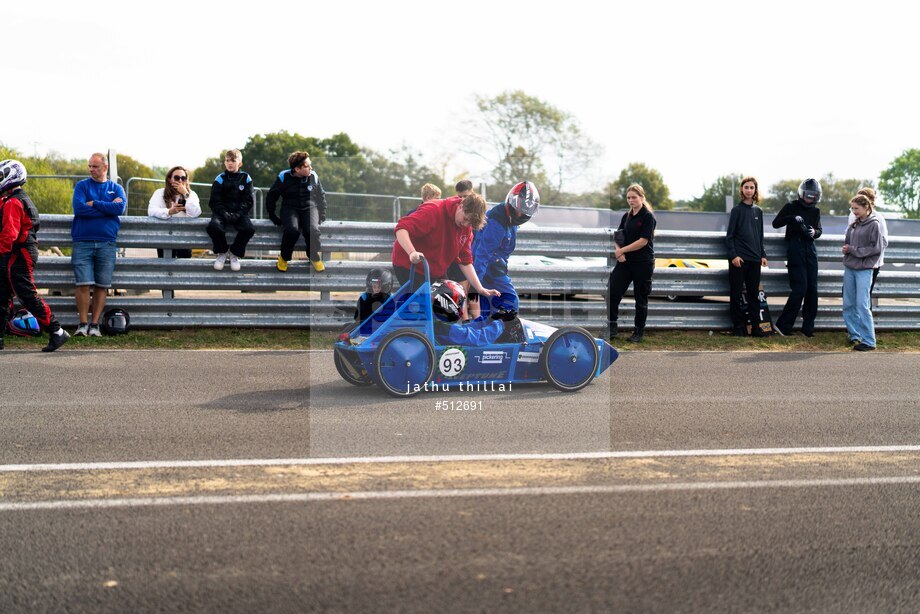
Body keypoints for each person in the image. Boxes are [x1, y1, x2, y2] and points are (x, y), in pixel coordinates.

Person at [0, 160, 70, 351]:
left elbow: (9, 235)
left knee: (26, 295)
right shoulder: (14, 198)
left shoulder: (14, 201)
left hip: (18, 253)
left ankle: (57, 331)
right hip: (17, 252)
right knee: (2, 294)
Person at [391, 192, 500, 304]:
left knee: (449, 304)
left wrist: (479, 288)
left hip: (434, 270)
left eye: (470, 223)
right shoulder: (434, 210)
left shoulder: (466, 230)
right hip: (410, 265)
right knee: (423, 307)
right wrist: (412, 252)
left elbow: (465, 261)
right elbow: (402, 229)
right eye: (465, 218)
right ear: (461, 206)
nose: (466, 224)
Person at [71, 152, 127, 337]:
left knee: (102, 286)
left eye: (95, 166)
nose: (91, 170)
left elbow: (119, 208)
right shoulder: (82, 186)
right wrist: (107, 209)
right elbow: (79, 209)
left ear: (105, 167)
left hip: (107, 243)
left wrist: (94, 203)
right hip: (82, 242)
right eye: (89, 166)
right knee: (83, 284)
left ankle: (95, 325)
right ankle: (82, 324)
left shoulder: (116, 188)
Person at [472, 180, 539, 319]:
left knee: (491, 307)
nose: (521, 214)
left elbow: (502, 251)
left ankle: (489, 331)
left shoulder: (510, 220)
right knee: (510, 301)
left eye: (525, 210)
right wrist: (476, 285)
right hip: (486, 269)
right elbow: (482, 254)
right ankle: (495, 331)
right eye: (519, 209)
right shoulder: (497, 221)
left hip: (494, 268)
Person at [772, 178, 823, 337]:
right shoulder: (791, 206)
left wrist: (814, 232)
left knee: (812, 290)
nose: (810, 198)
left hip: (810, 250)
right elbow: (776, 223)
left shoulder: (816, 211)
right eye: (808, 195)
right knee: (799, 288)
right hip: (795, 249)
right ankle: (783, 325)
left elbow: (819, 230)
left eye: (813, 196)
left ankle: (808, 328)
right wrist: (792, 218)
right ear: (802, 194)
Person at [607, 184, 656, 343]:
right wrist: (618, 251)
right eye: (628, 197)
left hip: (643, 263)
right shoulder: (626, 216)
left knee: (640, 298)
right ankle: (612, 327)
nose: (631, 200)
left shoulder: (648, 217)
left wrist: (622, 251)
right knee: (612, 292)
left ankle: (638, 332)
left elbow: (643, 241)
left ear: (642, 197)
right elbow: (618, 236)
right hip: (625, 262)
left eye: (634, 197)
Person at [266, 152, 328, 273]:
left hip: (310, 207)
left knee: (312, 230)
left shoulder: (313, 176)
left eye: (310, 165)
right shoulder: (283, 176)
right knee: (292, 230)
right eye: (307, 166)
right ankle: (284, 257)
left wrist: (322, 213)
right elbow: (271, 196)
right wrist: (272, 215)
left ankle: (313, 255)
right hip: (290, 207)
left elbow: (321, 196)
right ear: (297, 169)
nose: (311, 168)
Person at [725, 176, 769, 337]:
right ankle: (738, 327)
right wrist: (734, 255)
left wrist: (763, 254)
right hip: (739, 260)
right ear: (742, 190)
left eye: (752, 187)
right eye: (746, 187)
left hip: (755, 259)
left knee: (753, 295)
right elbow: (729, 236)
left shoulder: (759, 211)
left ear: (755, 190)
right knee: (736, 294)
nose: (749, 190)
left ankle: (756, 328)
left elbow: (760, 236)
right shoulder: (736, 211)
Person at [842, 194, 883, 351]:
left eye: (856, 208)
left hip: (864, 270)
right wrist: (846, 249)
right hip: (850, 268)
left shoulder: (874, 225)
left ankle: (869, 341)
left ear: (866, 207)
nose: (854, 211)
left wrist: (852, 250)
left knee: (862, 305)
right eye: (852, 208)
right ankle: (854, 335)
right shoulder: (854, 224)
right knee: (848, 304)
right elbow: (847, 241)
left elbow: (875, 249)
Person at [430, 279, 523, 346]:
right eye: (460, 302)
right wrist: (501, 324)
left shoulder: (435, 321)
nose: (463, 306)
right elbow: (477, 338)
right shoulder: (443, 328)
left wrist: (490, 320)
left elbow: (464, 329)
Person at [208, 148, 254, 272]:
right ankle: (222, 251)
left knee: (249, 229)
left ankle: (234, 253)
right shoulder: (220, 178)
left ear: (240, 163)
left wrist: (239, 214)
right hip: (222, 213)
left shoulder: (246, 178)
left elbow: (248, 201)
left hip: (240, 213)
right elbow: (214, 201)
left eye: (233, 160)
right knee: (213, 227)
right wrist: (224, 213)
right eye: (227, 160)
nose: (229, 163)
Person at [147, 166, 201, 258]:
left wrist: (185, 194)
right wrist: (169, 211)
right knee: (165, 267)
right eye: (177, 178)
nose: (180, 181)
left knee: (184, 268)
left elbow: (196, 212)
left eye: (183, 178)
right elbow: (151, 211)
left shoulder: (191, 194)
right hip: (165, 237)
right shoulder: (160, 193)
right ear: (169, 179)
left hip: (185, 238)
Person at [847, 187, 888, 296]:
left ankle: (864, 313)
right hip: (854, 261)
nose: (854, 210)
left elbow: (883, 241)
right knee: (849, 294)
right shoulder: (852, 215)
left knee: (864, 296)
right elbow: (849, 236)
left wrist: (868, 257)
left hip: (870, 263)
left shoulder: (878, 218)